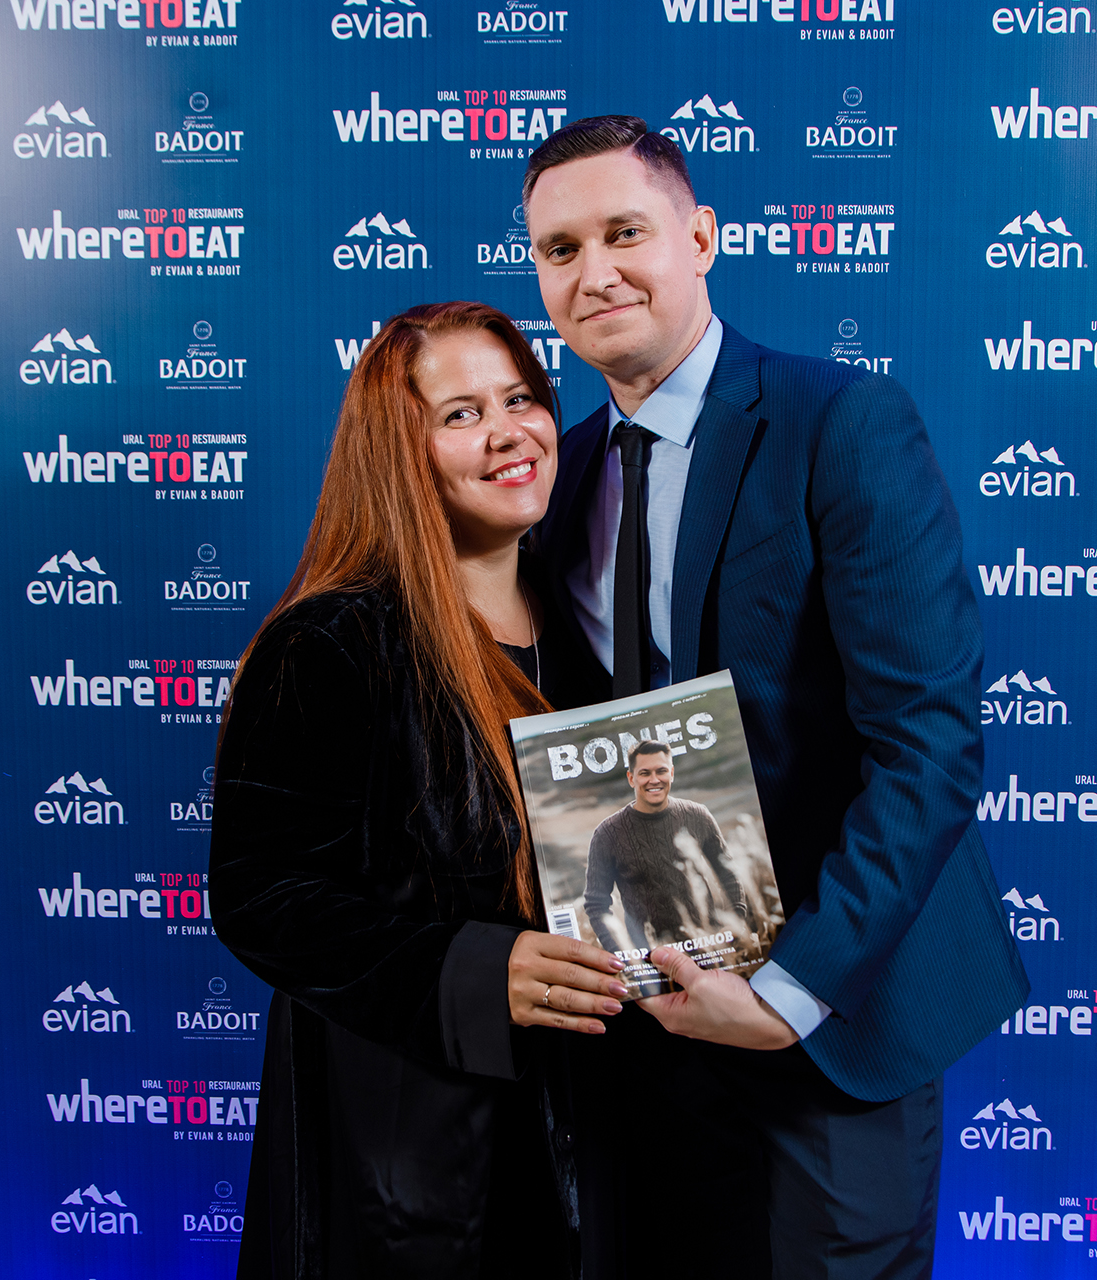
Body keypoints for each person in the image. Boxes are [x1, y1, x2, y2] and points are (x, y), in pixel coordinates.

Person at [523, 116, 1030, 1278]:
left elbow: (930, 743)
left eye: (624, 232)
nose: (595, 272)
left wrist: (789, 990)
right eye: (560, 249)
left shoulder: (840, 420)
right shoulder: (561, 471)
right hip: (648, 1021)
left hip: (833, 1004)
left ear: (701, 238)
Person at [209, 301, 627, 1279]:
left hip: (591, 1139)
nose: (508, 432)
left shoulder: (590, 630)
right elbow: (261, 895)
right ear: (401, 454)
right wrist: (472, 970)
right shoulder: (331, 643)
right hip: (416, 1164)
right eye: (461, 414)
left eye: (520, 399)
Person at [582, 739, 753, 955]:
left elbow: (727, 871)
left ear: (671, 773)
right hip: (651, 959)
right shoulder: (607, 833)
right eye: (645, 773)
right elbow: (596, 903)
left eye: (661, 771)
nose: (654, 780)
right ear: (631, 778)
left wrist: (735, 921)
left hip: (710, 949)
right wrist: (623, 953)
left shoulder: (698, 815)